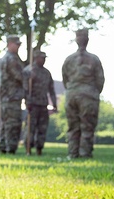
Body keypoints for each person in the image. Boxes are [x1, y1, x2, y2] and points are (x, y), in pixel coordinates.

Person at [62, 29, 104, 159]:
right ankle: (85, 153)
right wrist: (93, 92)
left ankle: (73, 153)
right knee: (87, 125)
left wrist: (72, 90)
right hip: (88, 95)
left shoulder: (69, 59)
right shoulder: (94, 59)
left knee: (73, 126)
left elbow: (65, 79)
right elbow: (100, 80)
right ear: (87, 40)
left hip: (71, 95)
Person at [24, 49, 57, 155]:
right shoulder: (29, 71)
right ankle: (28, 148)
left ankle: (39, 149)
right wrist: (27, 102)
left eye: (44, 58)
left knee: (42, 128)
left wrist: (54, 103)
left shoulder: (47, 73)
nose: (43, 60)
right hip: (32, 104)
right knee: (30, 128)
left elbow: (51, 90)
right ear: (36, 58)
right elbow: (25, 88)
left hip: (43, 105)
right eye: (41, 58)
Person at [0, 34, 25, 154]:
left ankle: (3, 146)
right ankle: (11, 147)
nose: (18, 47)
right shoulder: (12, 59)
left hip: (6, 95)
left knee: (6, 122)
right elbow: (19, 76)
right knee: (13, 123)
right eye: (16, 44)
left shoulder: (5, 58)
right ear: (9, 44)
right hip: (12, 95)